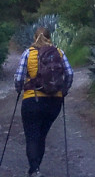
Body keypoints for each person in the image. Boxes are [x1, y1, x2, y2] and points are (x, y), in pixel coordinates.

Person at [14, 26, 74, 177]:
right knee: (42, 135)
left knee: (32, 135)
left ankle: (34, 169)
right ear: (50, 37)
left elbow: (19, 77)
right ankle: (36, 167)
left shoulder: (29, 53)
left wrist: (18, 89)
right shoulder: (59, 53)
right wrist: (64, 91)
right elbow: (70, 73)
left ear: (34, 37)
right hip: (54, 101)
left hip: (32, 99)